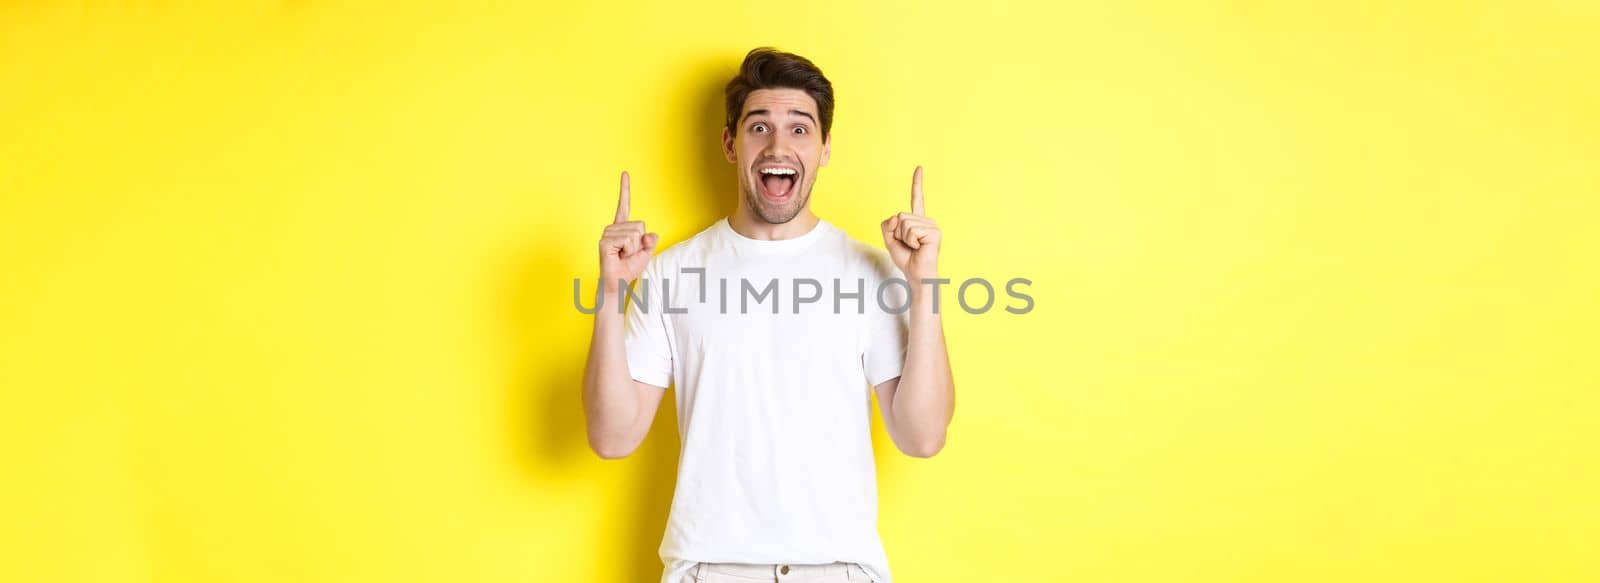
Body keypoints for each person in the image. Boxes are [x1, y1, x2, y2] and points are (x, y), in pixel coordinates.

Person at [581, 47, 955, 583]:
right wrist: (612, 291)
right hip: (708, 569)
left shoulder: (872, 272)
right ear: (731, 144)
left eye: (800, 129)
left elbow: (922, 437)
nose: (779, 145)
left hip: (838, 570)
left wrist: (925, 287)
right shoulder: (671, 273)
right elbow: (612, 438)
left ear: (824, 148)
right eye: (759, 127)